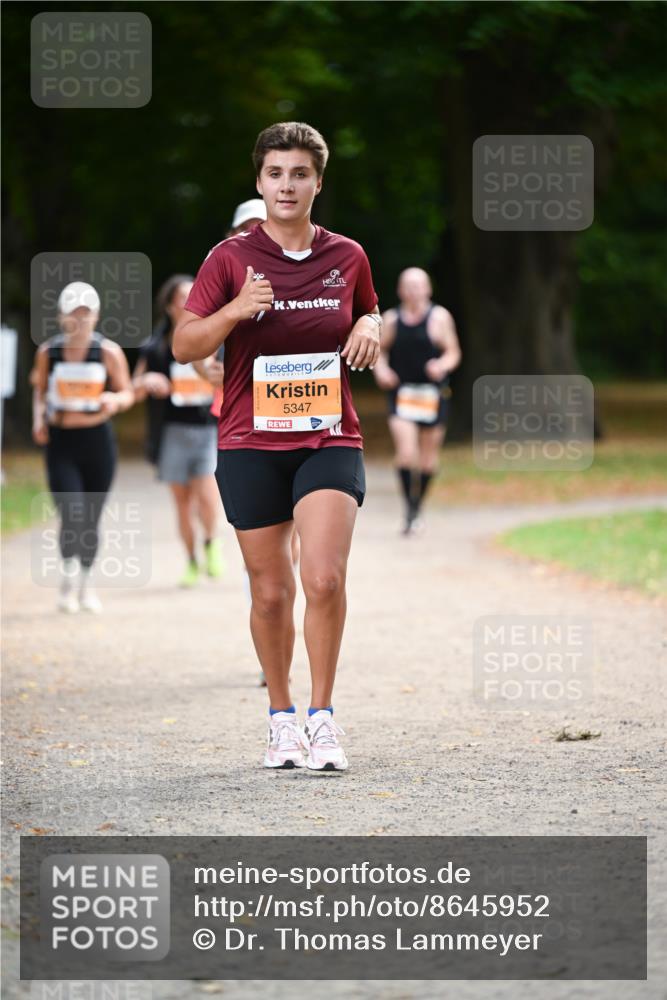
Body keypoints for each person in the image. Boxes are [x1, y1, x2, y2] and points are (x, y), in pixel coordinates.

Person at [174, 121, 381, 771]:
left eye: (298, 174)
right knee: (269, 593)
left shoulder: (347, 255)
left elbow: (366, 309)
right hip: (250, 441)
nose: (285, 185)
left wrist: (372, 323)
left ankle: (322, 718)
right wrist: (236, 310)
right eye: (274, 173)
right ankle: (281, 719)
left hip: (328, 436)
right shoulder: (228, 260)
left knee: (322, 576)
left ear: (318, 182)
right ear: (258, 181)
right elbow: (185, 346)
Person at [30, 281, 134, 612]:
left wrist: (113, 400)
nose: (79, 321)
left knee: (90, 517)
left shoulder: (108, 352)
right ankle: (67, 578)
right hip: (62, 442)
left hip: (97, 443)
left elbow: (127, 392)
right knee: (71, 511)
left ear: (96, 316)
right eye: (73, 314)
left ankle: (86, 585)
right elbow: (40, 390)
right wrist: (38, 419)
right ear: (62, 317)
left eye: (85, 314)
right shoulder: (49, 352)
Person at [132, 275, 224, 587]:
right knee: (182, 502)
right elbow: (133, 386)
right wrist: (145, 383)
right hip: (170, 432)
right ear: (170, 306)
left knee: (208, 497)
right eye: (184, 297)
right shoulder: (155, 347)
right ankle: (190, 560)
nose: (191, 301)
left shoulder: (213, 338)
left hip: (208, 430)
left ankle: (211, 543)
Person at [373, 267, 461, 534]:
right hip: (402, 395)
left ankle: (416, 508)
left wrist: (442, 365)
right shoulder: (391, 319)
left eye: (418, 285)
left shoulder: (439, 318)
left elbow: (453, 352)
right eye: (407, 285)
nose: (413, 290)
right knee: (406, 454)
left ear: (428, 289)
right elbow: (379, 351)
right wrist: (382, 370)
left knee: (427, 460)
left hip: (432, 395)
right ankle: (410, 510)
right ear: (400, 290)